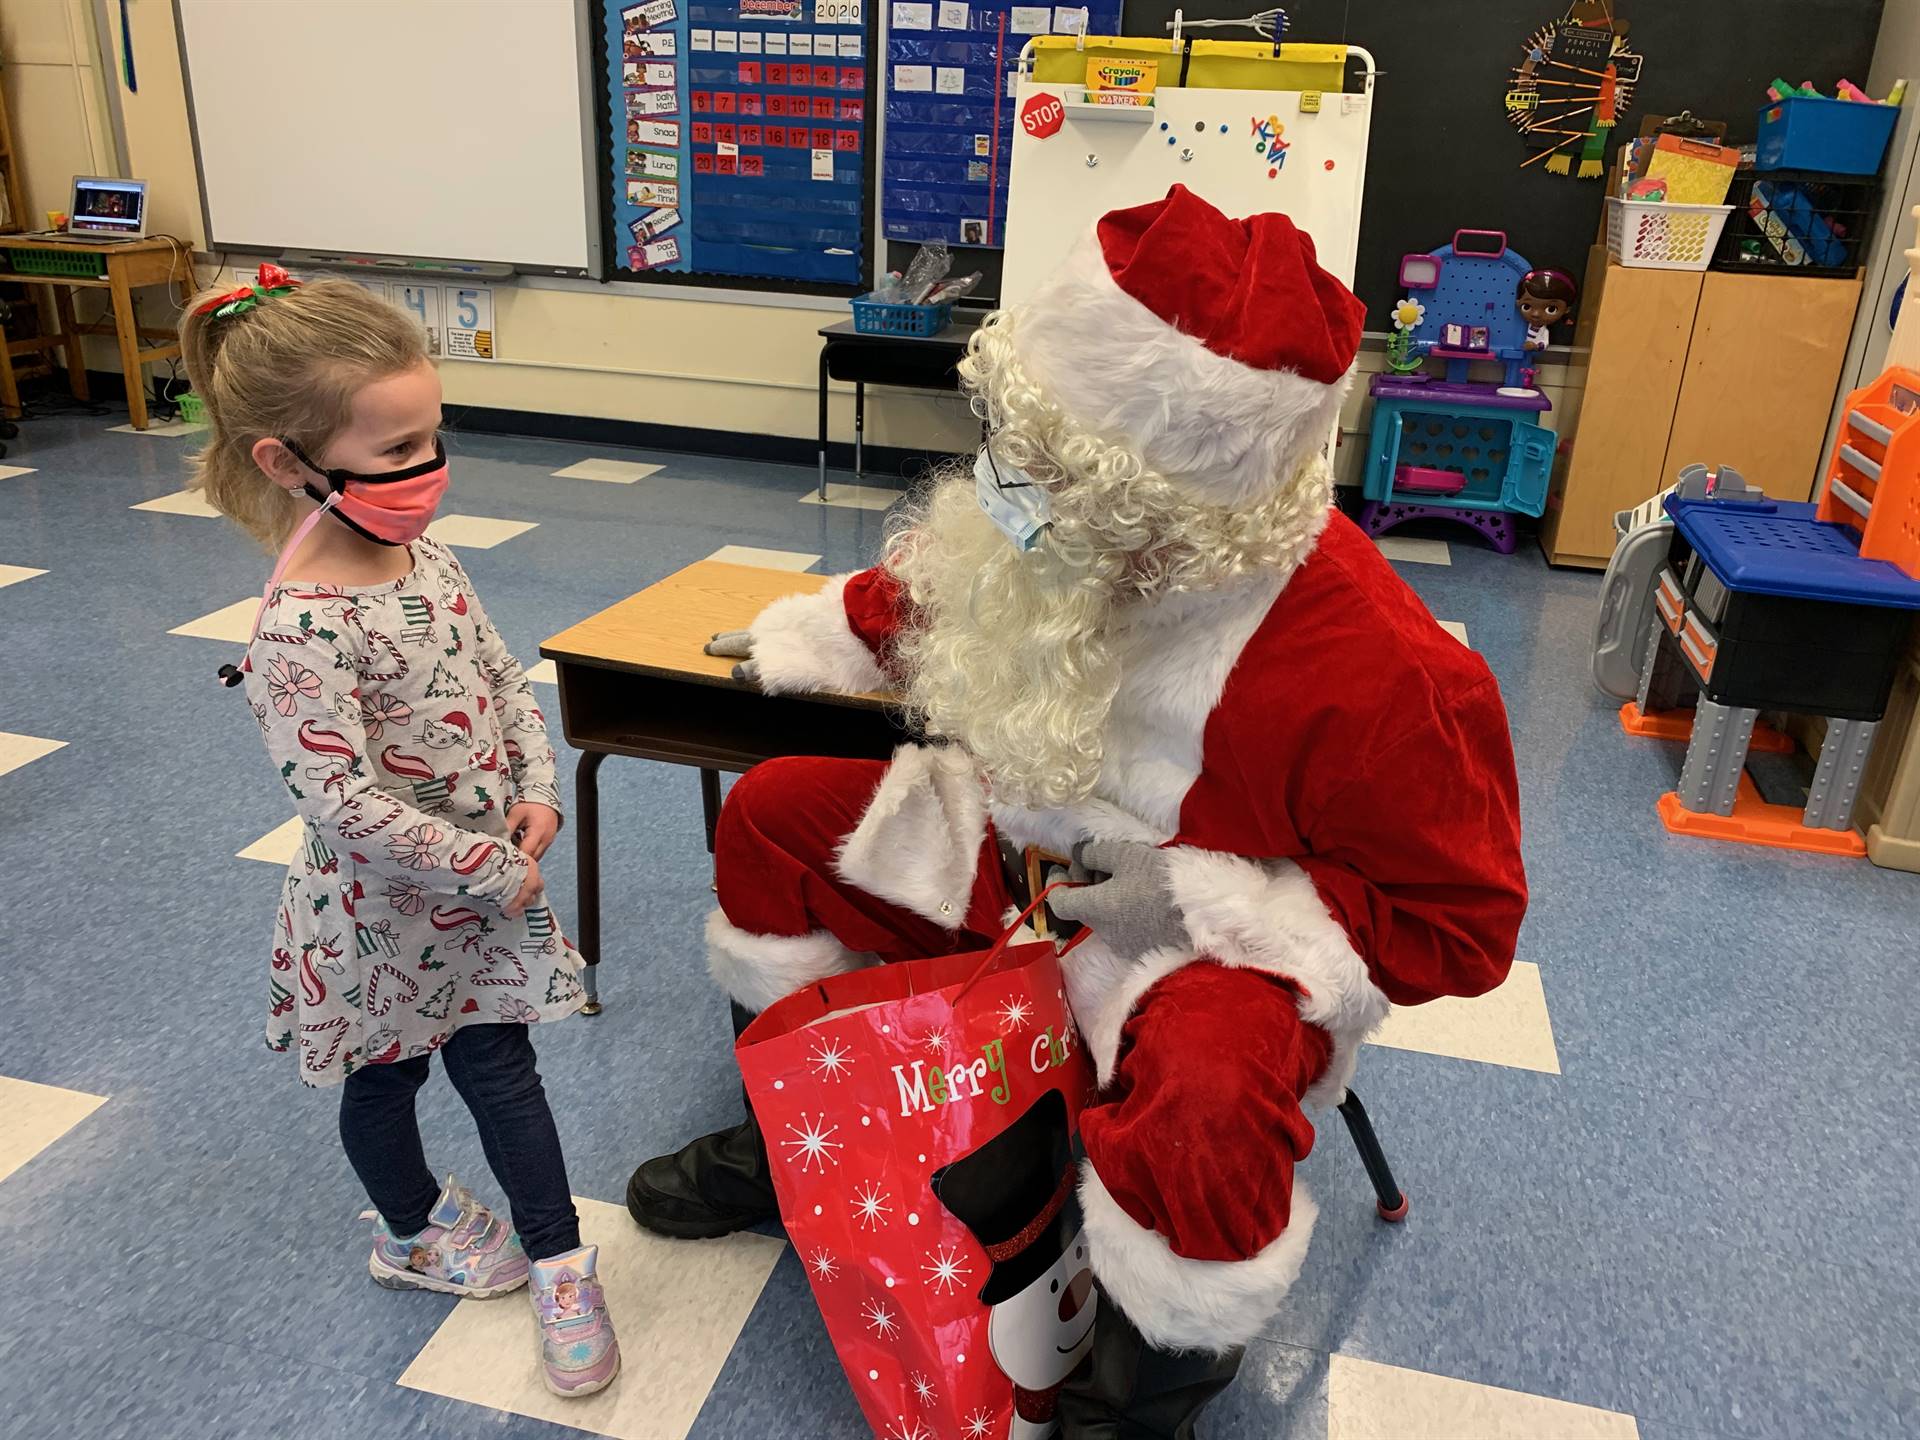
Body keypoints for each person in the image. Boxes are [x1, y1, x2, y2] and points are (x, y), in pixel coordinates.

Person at [626, 187, 1527, 1434]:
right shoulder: (1053, 522)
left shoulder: (1385, 673)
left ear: (1173, 508)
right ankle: (801, 1144)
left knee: (1210, 1091)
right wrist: (827, 630)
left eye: (1055, 478)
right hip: (1012, 851)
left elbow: (1460, 928)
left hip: (1189, 940)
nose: (1011, 496)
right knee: (778, 814)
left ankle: (1147, 1385)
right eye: (1020, 452)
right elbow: (966, 587)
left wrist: (1215, 901)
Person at [182, 266, 619, 1399]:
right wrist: (487, 863)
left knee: (505, 1074)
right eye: (396, 455)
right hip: (381, 921)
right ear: (287, 462)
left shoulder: (433, 561)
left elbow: (500, 680)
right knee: (383, 1084)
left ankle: (559, 1259)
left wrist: (537, 786)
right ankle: (412, 1226)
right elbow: (340, 803)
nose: (429, 473)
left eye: (435, 439)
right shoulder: (298, 629)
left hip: (487, 903)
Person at [1517, 267, 1577, 350]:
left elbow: (1544, 344)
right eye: (1527, 306)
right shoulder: (1518, 324)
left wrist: (1535, 346)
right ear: (1518, 302)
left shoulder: (1543, 331)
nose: (1536, 314)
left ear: (1566, 310)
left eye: (1551, 309)